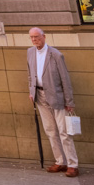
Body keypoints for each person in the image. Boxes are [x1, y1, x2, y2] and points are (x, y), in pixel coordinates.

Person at [27, 27, 79, 177]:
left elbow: (65, 79)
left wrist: (69, 101)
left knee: (64, 132)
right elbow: (30, 74)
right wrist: (32, 92)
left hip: (57, 97)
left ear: (44, 37)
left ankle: (73, 164)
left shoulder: (55, 55)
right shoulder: (30, 52)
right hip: (39, 95)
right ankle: (60, 161)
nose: (34, 39)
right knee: (50, 131)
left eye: (36, 36)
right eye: (31, 37)